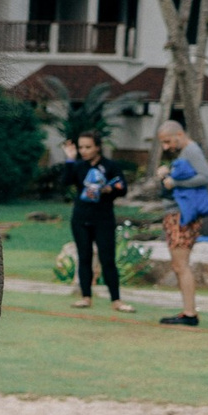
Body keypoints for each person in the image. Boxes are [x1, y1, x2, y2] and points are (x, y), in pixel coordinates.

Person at [153, 118, 208, 327]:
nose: (166, 147)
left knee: (181, 265)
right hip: (176, 213)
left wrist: (175, 181)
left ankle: (190, 313)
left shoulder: (191, 150)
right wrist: (168, 173)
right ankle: (188, 311)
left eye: (168, 141)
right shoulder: (185, 153)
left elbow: (206, 177)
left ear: (179, 135)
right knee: (179, 265)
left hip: (181, 215)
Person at [66, 131, 131, 312]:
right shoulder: (79, 166)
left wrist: (109, 190)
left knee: (107, 259)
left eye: (88, 147)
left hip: (103, 219)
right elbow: (65, 181)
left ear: (98, 147)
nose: (83, 151)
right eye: (81, 147)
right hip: (80, 218)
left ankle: (116, 300)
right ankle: (86, 297)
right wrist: (69, 159)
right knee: (84, 257)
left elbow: (123, 188)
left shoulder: (110, 166)